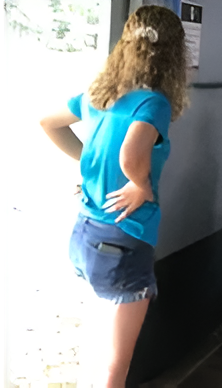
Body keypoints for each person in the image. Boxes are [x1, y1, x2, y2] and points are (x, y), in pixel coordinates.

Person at [38, 6, 188, 387]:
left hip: (85, 234)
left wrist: (86, 160)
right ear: (174, 54)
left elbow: (48, 122)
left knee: (94, 349)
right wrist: (142, 184)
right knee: (114, 367)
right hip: (122, 240)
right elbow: (130, 155)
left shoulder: (100, 93)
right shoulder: (152, 102)